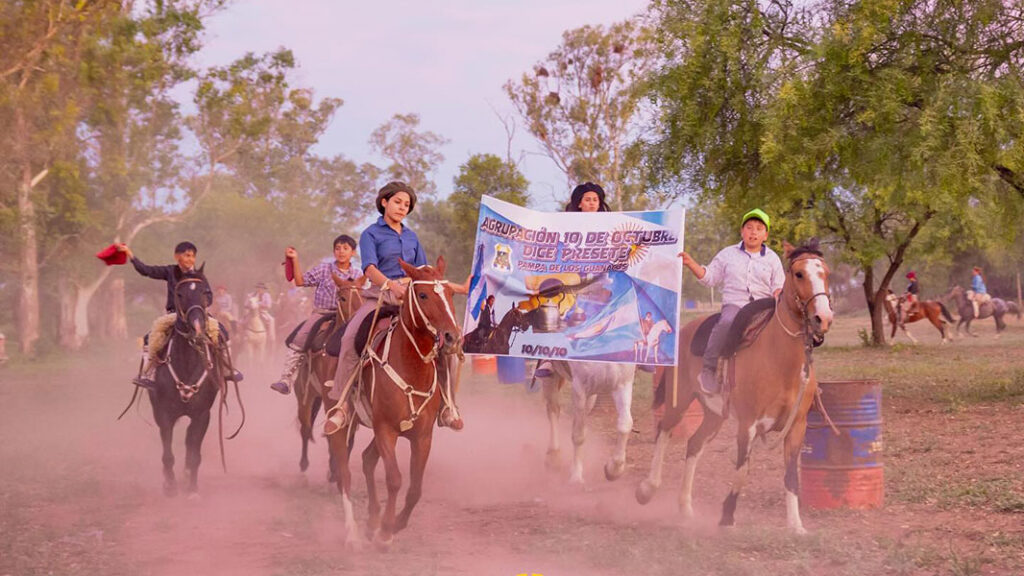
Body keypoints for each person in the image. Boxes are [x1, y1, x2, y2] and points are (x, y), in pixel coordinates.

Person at [322, 181, 471, 435]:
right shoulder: (371, 233)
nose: (403, 208)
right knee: (349, 338)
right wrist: (391, 285)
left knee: (446, 342)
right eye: (398, 202)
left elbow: (426, 274)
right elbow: (369, 268)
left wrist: (458, 287)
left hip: (412, 301)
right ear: (384, 202)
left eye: (407, 205)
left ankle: (447, 405)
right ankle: (343, 404)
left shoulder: (412, 237)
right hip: (379, 297)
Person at [678, 208, 785, 416]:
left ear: (766, 235)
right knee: (726, 322)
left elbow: (778, 285)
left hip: (764, 306)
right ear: (742, 231)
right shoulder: (728, 254)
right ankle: (708, 369)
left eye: (759, 229)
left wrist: (778, 293)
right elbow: (709, 277)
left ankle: (789, 374)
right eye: (749, 228)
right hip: (736, 305)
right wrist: (691, 263)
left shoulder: (772, 259)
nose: (753, 232)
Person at [117, 242, 243, 390]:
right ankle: (148, 374)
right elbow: (145, 270)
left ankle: (227, 369)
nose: (190, 259)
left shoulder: (199, 276)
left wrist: (200, 305)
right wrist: (129, 254)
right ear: (177, 256)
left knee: (222, 332)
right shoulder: (170, 271)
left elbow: (209, 296)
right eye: (186, 255)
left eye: (193, 256)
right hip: (174, 315)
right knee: (149, 337)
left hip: (198, 314)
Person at [534, 182, 611, 378]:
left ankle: (637, 357)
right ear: (579, 203)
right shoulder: (563, 226)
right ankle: (548, 358)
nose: (592, 203)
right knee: (555, 302)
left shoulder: (612, 225)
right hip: (574, 276)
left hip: (602, 276)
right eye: (588, 200)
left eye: (596, 200)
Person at [270, 235, 361, 395]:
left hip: (349, 316)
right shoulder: (323, 269)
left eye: (345, 249)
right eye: (338, 248)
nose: (341, 252)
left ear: (353, 252)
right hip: (323, 312)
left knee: (366, 337)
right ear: (334, 252)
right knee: (301, 336)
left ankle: (363, 377)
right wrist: (295, 260)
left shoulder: (358, 273)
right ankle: (286, 378)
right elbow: (299, 281)